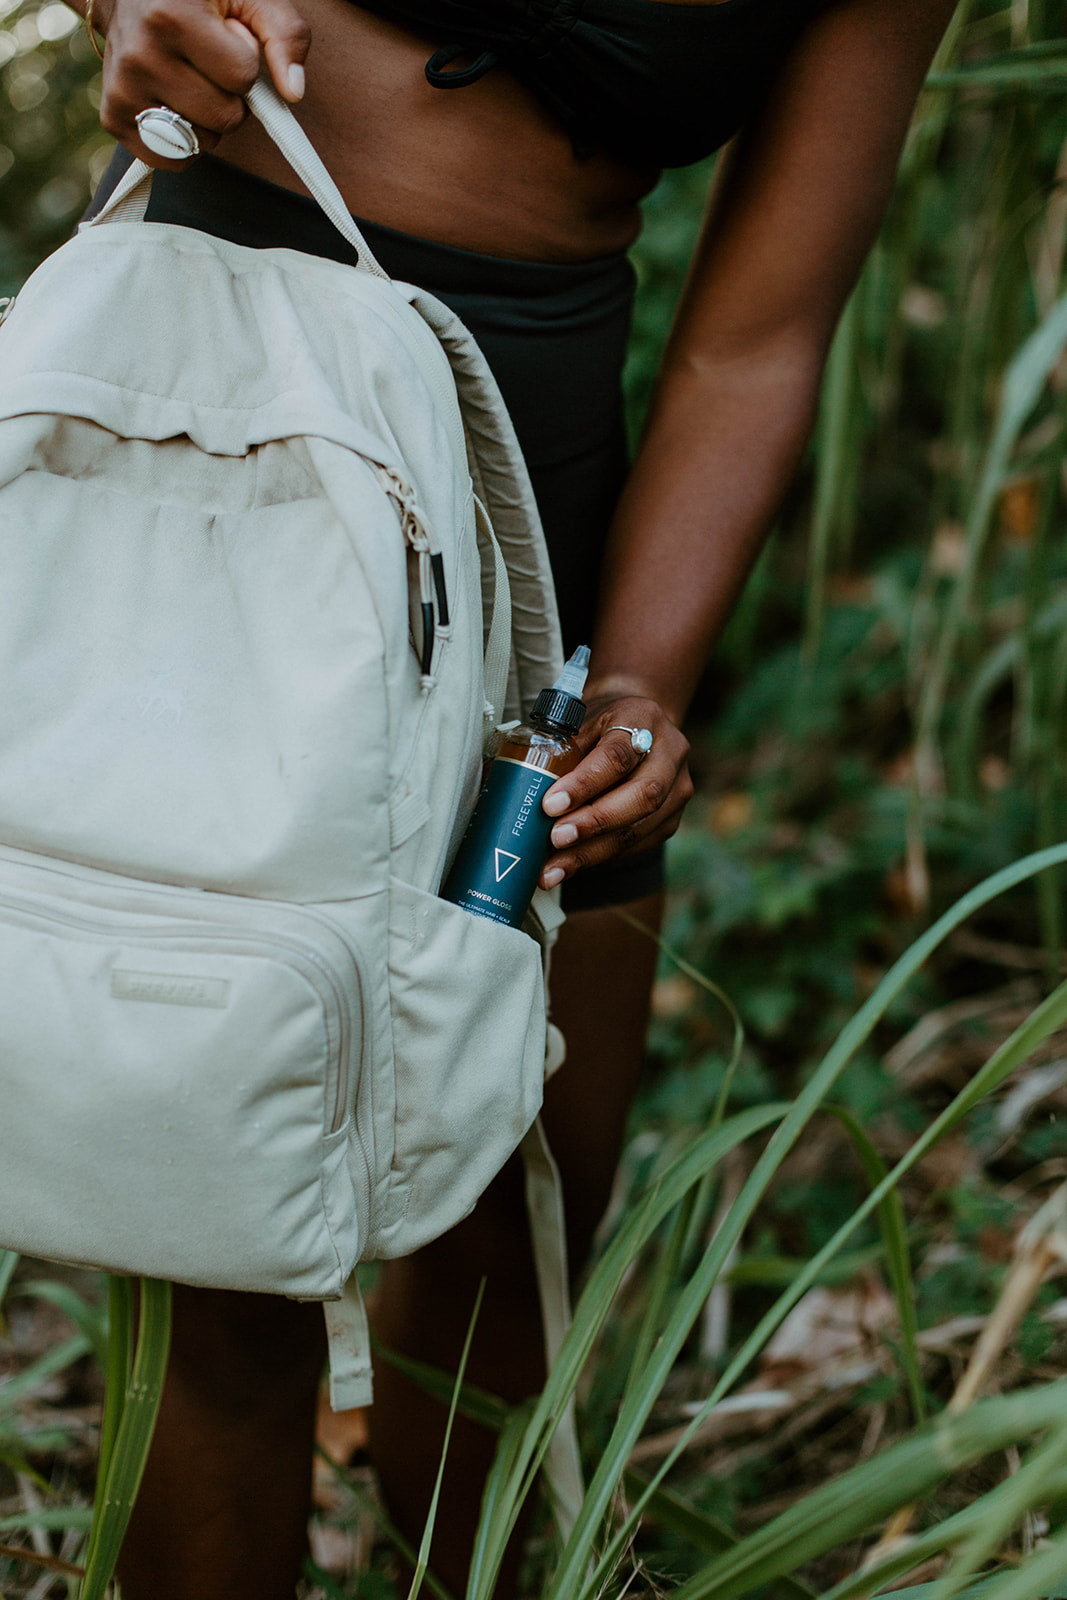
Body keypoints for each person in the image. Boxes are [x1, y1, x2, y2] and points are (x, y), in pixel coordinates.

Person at [68, 0, 956, 1594]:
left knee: (522, 1221)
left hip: (539, 500)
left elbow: (758, 336)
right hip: (234, 440)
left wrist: (639, 686)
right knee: (228, 1274)